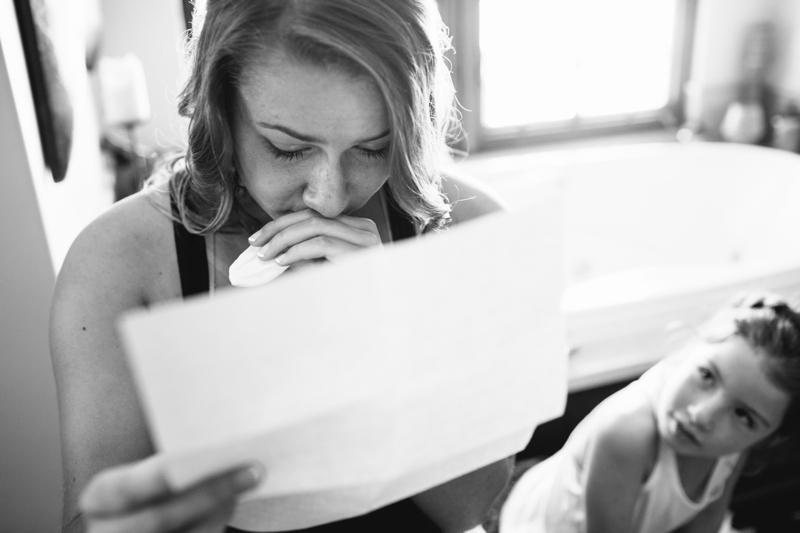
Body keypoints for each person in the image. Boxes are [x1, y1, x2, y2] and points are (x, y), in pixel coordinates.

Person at [49, 1, 511, 532]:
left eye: (372, 148)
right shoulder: (117, 264)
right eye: (288, 149)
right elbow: (91, 523)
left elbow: (471, 508)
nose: (329, 198)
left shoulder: (472, 227)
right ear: (219, 109)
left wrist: (388, 334)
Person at [499, 292, 800, 533]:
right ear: (689, 348)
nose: (702, 415)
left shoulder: (735, 445)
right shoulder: (625, 431)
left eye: (743, 416)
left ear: (770, 437)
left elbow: (708, 516)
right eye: (707, 376)